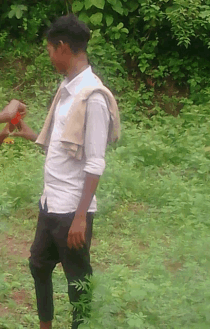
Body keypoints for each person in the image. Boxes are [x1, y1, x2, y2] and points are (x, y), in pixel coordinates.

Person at [11, 14, 120, 329]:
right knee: (38, 266)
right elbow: (64, 143)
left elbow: (95, 161)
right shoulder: (67, 88)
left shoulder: (93, 98)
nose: (48, 56)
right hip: (51, 204)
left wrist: (81, 217)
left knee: (78, 283)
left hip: (72, 209)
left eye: (49, 49)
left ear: (62, 47)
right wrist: (31, 133)